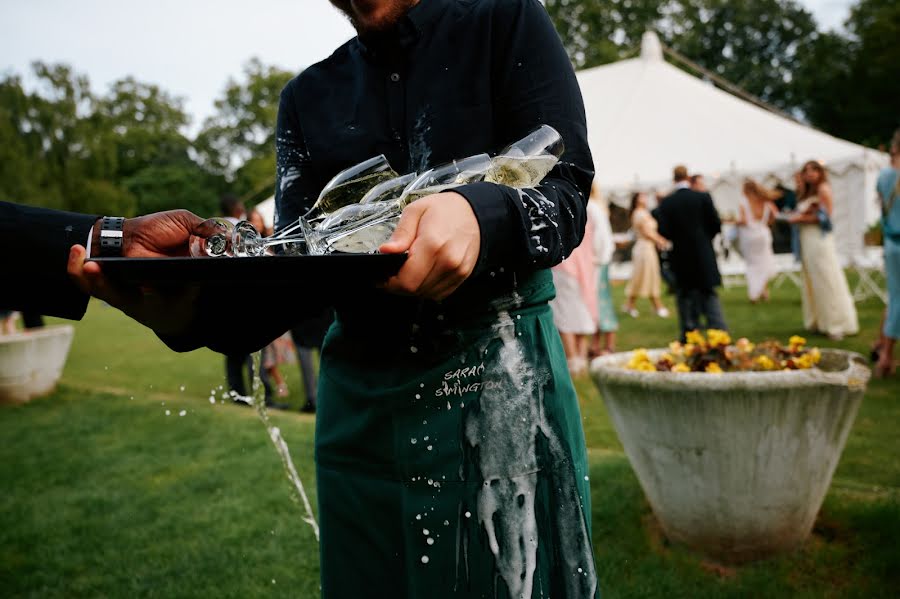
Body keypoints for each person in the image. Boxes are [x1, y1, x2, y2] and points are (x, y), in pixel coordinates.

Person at [61, 2, 591, 596]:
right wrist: (191, 315)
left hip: (505, 392)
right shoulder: (307, 96)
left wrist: (480, 212)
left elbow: (566, 191)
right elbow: (297, 277)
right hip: (360, 415)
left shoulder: (504, 17)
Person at [654, 165, 727, 340]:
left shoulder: (667, 203)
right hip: (703, 253)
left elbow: (664, 231)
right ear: (688, 177)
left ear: (674, 179)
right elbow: (715, 224)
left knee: (685, 296)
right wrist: (703, 239)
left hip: (680, 256)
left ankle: (690, 332)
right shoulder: (702, 197)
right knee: (708, 293)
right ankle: (718, 333)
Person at [789, 160, 859, 341]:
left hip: (819, 240)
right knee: (812, 280)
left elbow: (825, 218)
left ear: (820, 172)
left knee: (826, 279)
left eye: (814, 170)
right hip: (807, 240)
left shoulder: (823, 189)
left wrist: (800, 219)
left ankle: (836, 324)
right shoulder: (806, 193)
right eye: (806, 171)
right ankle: (818, 320)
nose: (810, 174)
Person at [550, 186, 602, 376]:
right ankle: (579, 358)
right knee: (583, 311)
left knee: (566, 314)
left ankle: (574, 360)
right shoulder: (589, 210)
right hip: (583, 268)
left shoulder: (557, 207)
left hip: (564, 266)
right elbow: (598, 242)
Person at [874, 129, 900, 377]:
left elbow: (880, 206)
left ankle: (882, 350)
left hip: (891, 243)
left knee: (895, 298)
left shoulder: (884, 176)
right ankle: (885, 357)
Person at [622, 192, 670, 318]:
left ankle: (629, 305)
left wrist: (659, 240)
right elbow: (647, 232)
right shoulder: (639, 213)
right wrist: (661, 241)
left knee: (645, 276)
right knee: (645, 276)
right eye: (642, 196)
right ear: (636, 200)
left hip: (648, 248)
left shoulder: (645, 212)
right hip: (643, 249)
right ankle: (657, 306)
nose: (645, 198)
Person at [736, 179, 779, 302]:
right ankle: (764, 292)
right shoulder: (766, 202)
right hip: (763, 233)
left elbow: (743, 221)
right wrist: (765, 223)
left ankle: (753, 293)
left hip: (749, 235)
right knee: (763, 262)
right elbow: (775, 215)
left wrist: (733, 221)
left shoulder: (743, 202)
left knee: (752, 264)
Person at [589, 185, 618, 357]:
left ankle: (609, 345)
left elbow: (599, 236)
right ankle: (595, 344)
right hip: (598, 260)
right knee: (594, 302)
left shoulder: (591, 207)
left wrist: (596, 259)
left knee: (601, 302)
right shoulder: (595, 205)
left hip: (597, 261)